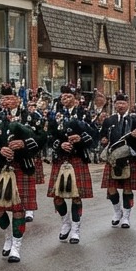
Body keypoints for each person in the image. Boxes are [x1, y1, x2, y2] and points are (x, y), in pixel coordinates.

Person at [0, 84, 45, 262]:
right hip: (1, 167)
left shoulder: (31, 117)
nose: (6, 101)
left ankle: (16, 248)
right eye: (3, 99)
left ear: (18, 99)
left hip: (22, 165)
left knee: (18, 210)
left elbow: (42, 138)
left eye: (10, 98)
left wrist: (25, 144)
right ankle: (8, 236)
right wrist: (0, 150)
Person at [47, 84, 99, 244]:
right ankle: (65, 222)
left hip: (77, 157)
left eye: (69, 96)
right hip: (61, 158)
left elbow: (94, 135)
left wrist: (81, 139)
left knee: (76, 197)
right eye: (63, 96)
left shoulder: (84, 114)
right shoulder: (54, 115)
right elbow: (48, 136)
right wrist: (59, 144)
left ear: (75, 99)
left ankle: (76, 229)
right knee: (57, 198)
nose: (65, 99)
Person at [100, 91, 136, 228]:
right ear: (114, 105)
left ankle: (126, 217)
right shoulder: (109, 120)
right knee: (112, 189)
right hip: (113, 158)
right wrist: (103, 140)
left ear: (128, 104)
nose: (120, 105)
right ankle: (117, 212)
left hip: (129, 158)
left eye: (123, 103)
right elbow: (102, 136)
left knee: (127, 189)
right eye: (118, 103)